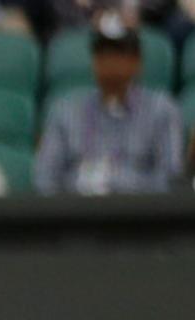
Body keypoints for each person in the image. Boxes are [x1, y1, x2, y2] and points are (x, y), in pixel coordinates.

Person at [34, 16, 184, 199]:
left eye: (119, 54)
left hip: (140, 219)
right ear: (94, 61)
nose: (111, 62)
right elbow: (44, 177)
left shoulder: (162, 110)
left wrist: (117, 187)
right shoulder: (66, 110)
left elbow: (170, 178)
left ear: (137, 61)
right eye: (103, 54)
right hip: (76, 217)